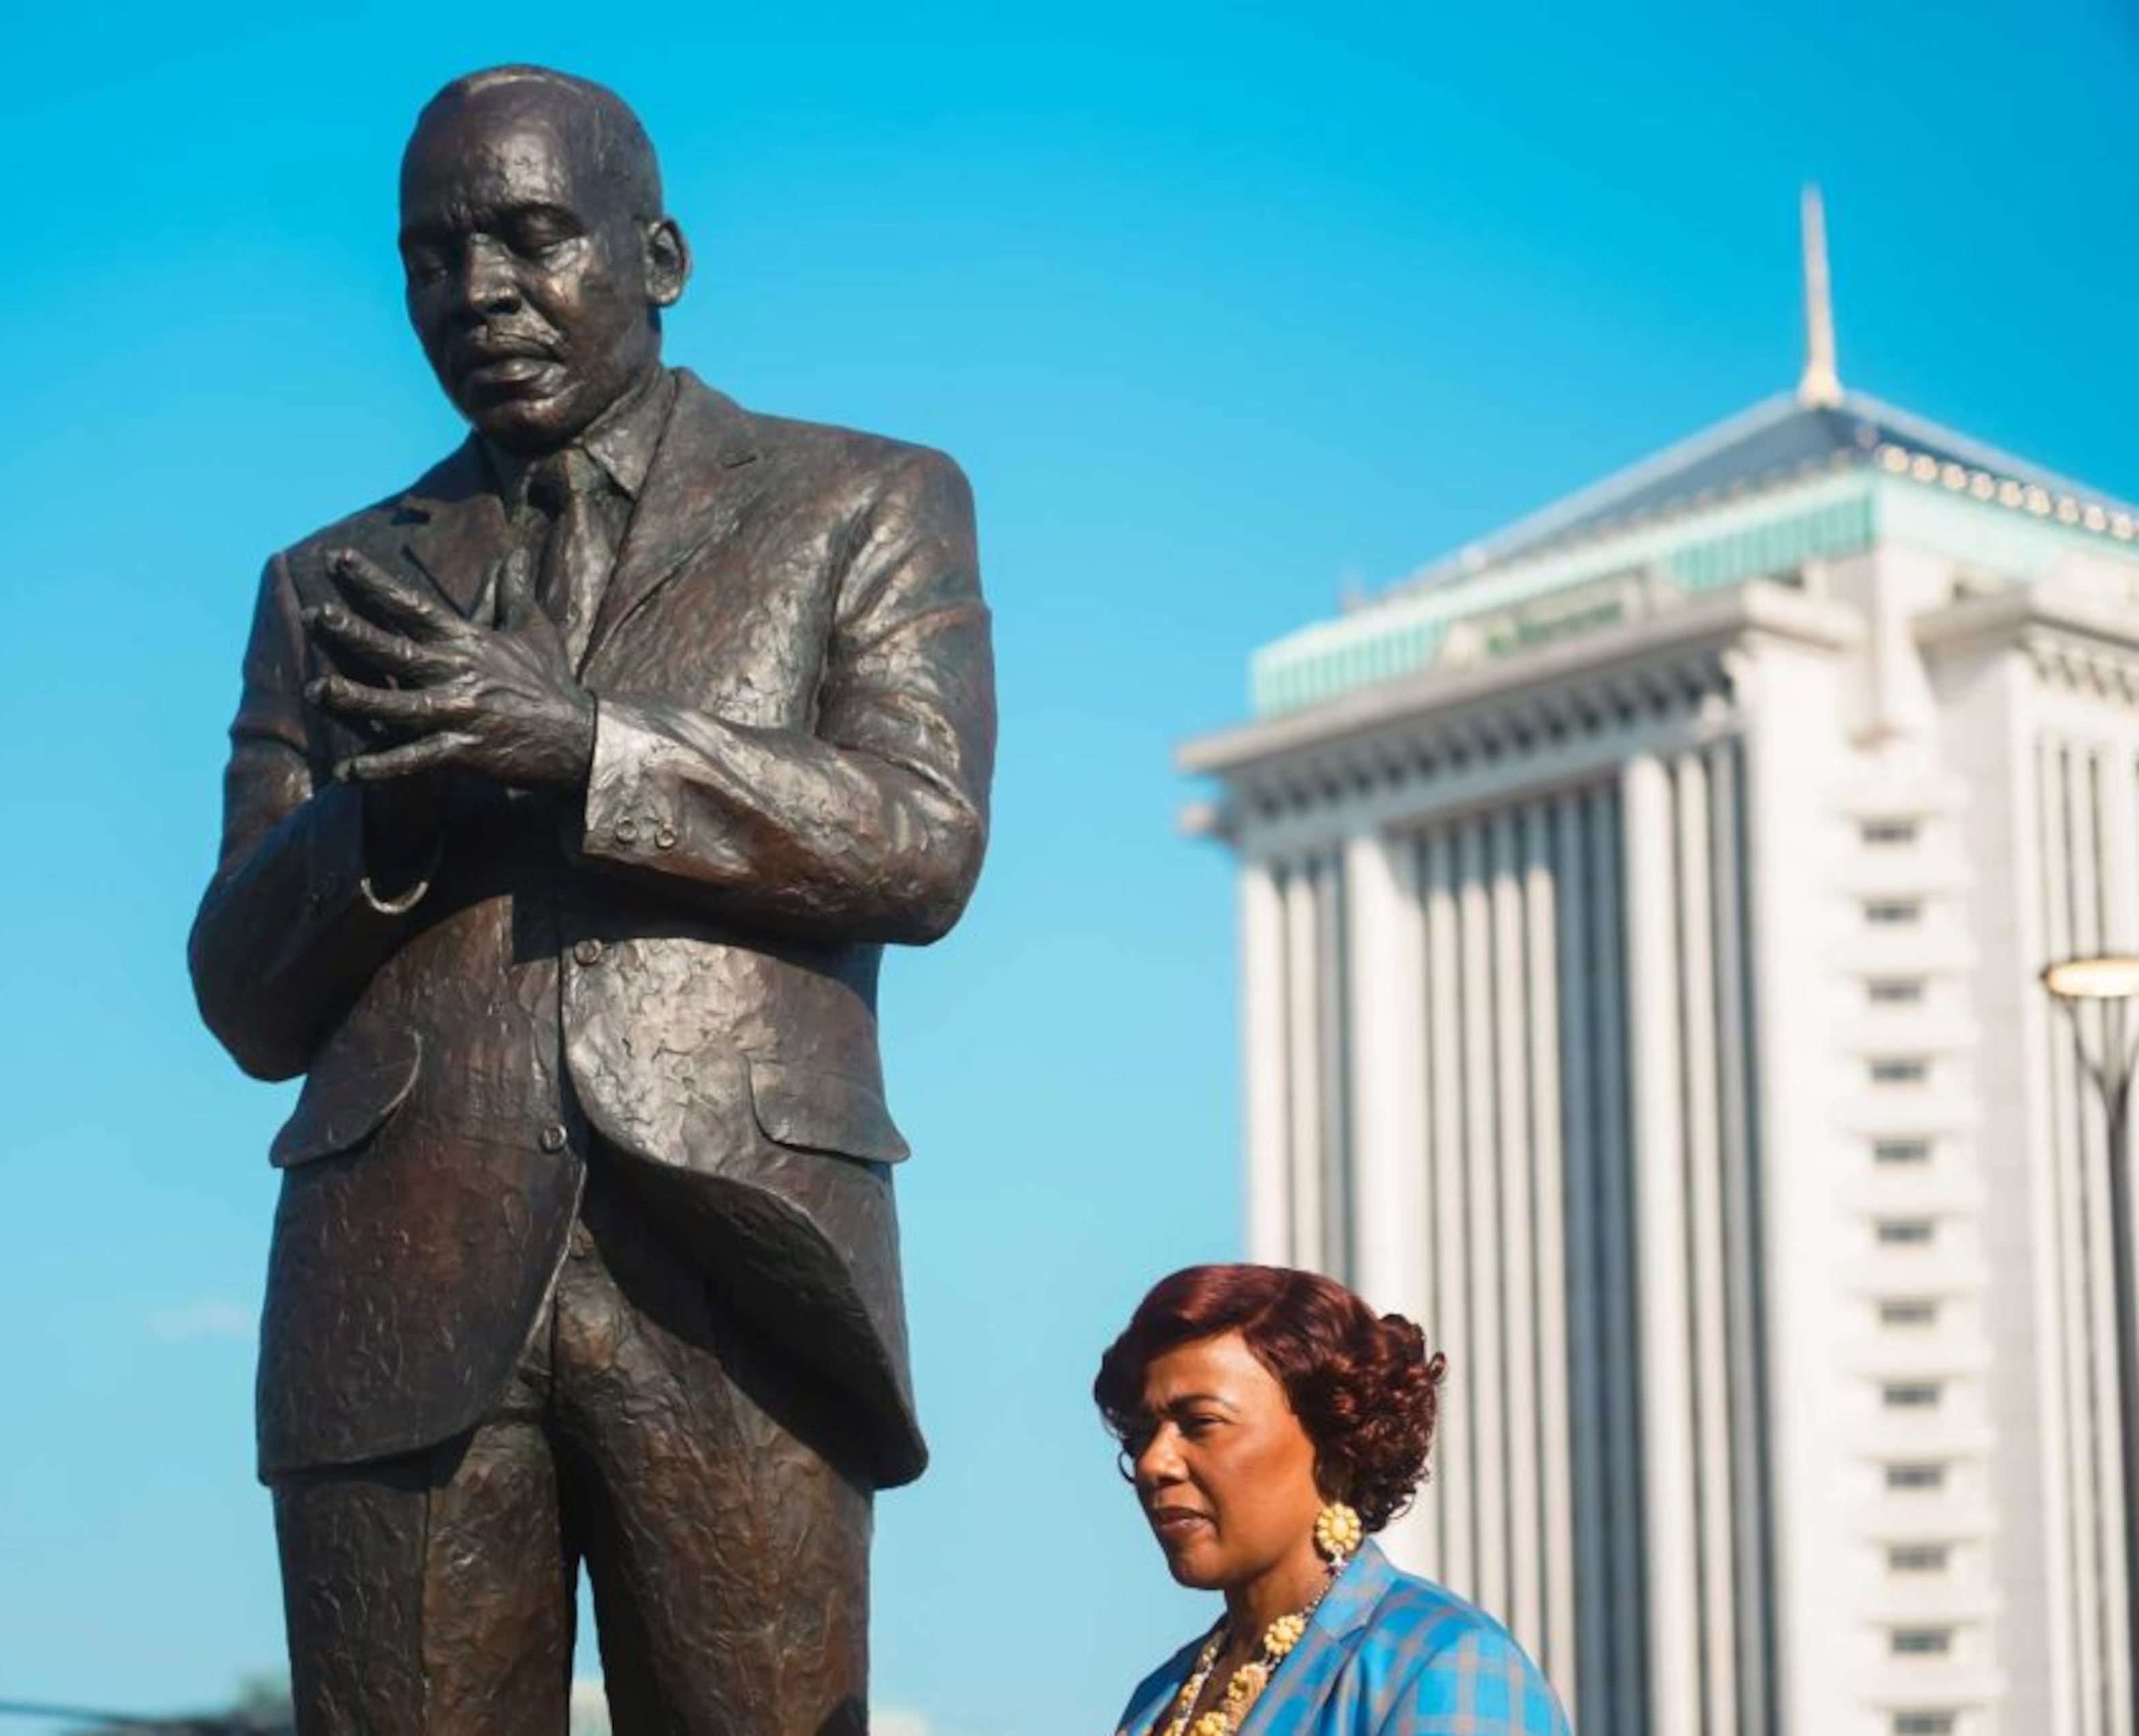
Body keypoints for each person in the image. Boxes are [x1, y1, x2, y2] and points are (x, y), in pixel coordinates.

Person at [185, 64, 994, 1736]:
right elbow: (242, 992)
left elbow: (920, 839)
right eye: (428, 255)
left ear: (661, 254)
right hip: (390, 1289)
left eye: (531, 237)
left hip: (737, 1263)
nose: (476, 293)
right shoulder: (325, 582)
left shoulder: (863, 499)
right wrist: (383, 812)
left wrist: (585, 748)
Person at [1097, 1266, 1570, 1735]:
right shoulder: (1158, 1698)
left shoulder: (1442, 1663)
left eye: (1201, 1422)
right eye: (1140, 1434)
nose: (1154, 1462)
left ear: (1335, 1443)